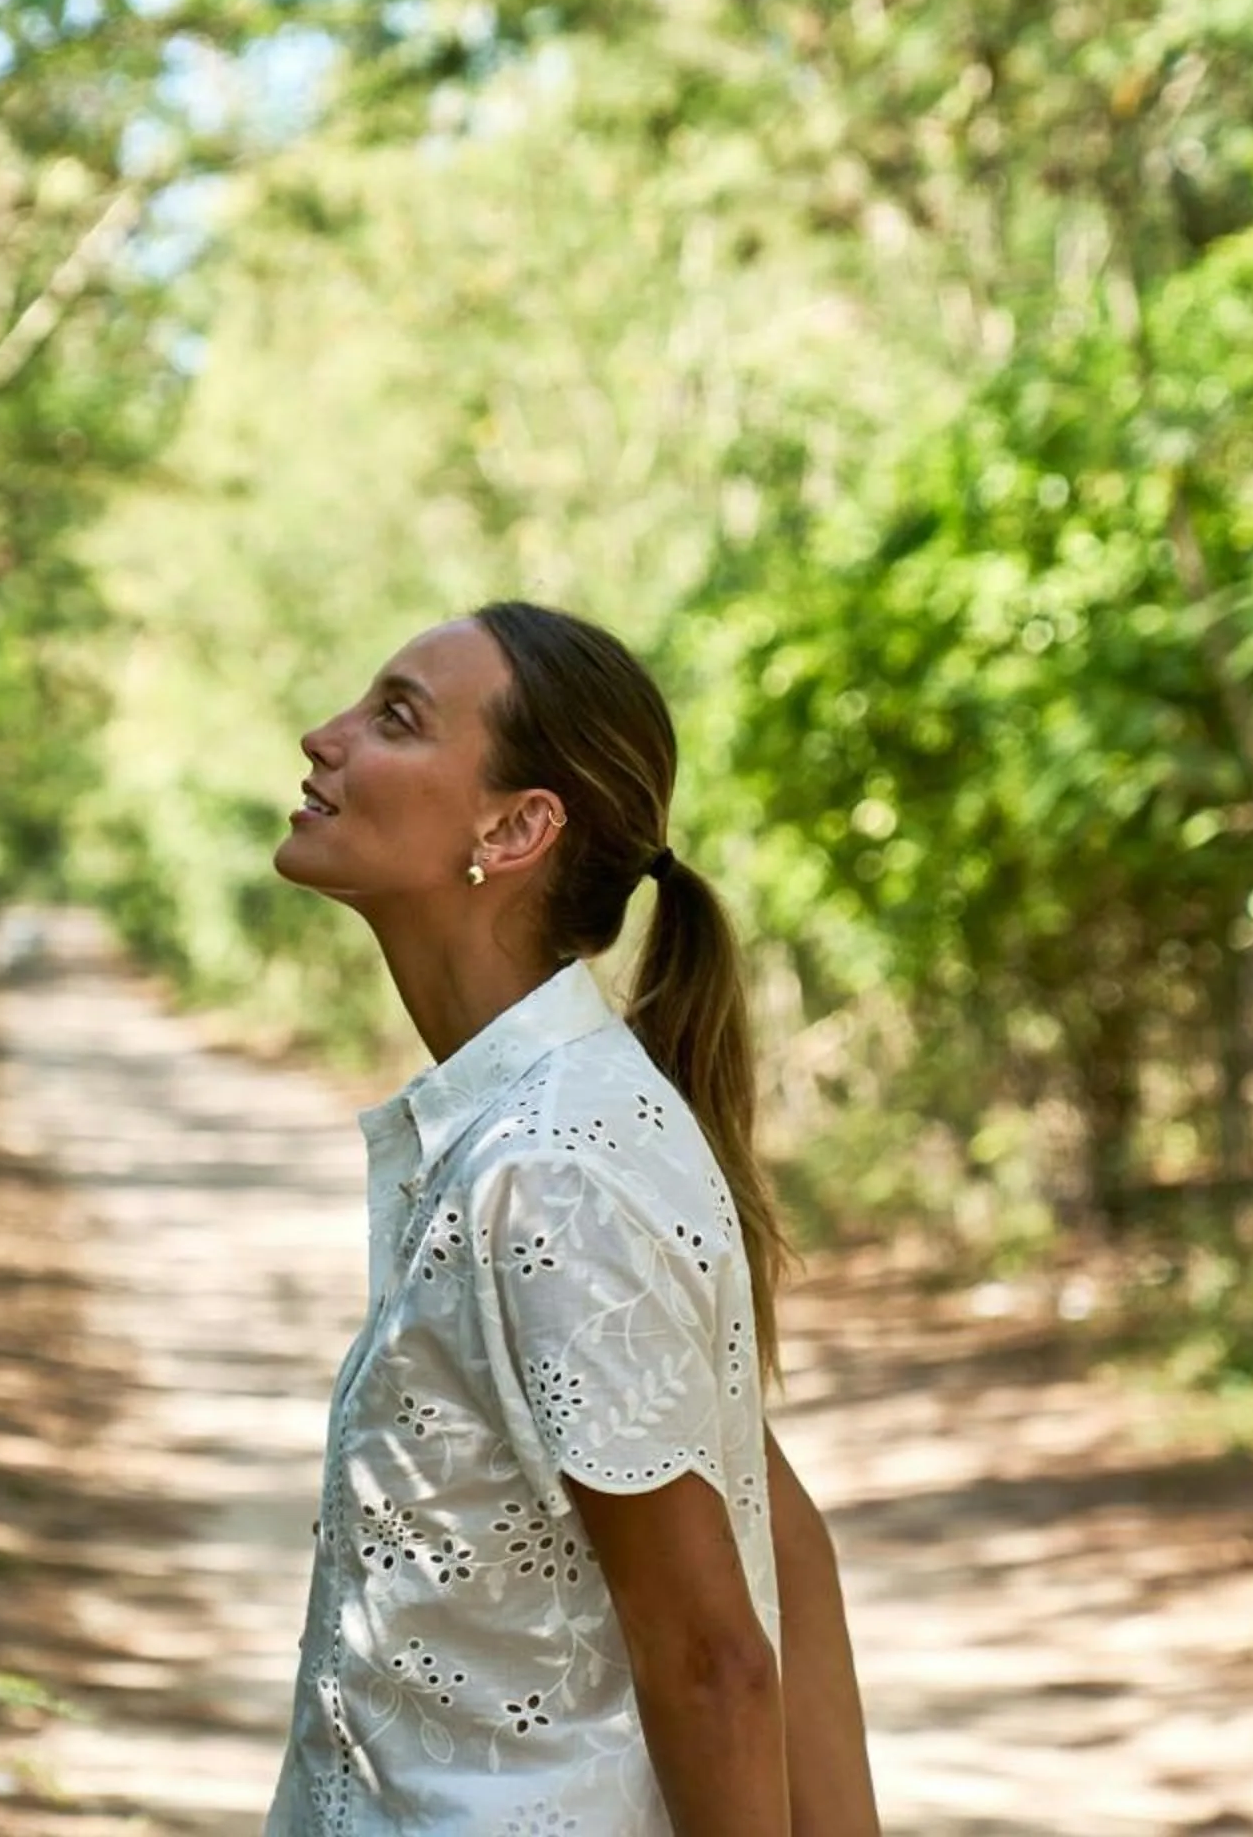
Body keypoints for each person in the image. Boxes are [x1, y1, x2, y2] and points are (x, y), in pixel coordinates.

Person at [260, 602, 878, 1837]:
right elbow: (775, 1527)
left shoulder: (550, 1168)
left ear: (515, 827)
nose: (325, 737)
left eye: (395, 717)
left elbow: (713, 1655)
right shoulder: (531, 1125)